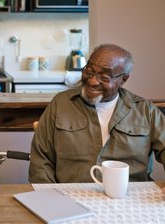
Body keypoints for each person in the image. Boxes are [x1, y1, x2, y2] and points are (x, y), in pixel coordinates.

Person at [29, 43, 165, 184]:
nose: (93, 81)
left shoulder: (145, 111)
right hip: (71, 197)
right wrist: (48, 196)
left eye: (105, 77)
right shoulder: (61, 104)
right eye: (89, 71)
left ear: (123, 79)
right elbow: (40, 160)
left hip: (132, 198)